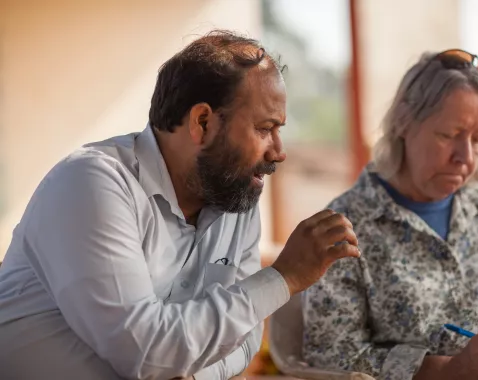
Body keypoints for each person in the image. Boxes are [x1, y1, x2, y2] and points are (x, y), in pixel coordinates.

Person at [0, 30, 360, 380]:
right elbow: (143, 352)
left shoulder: (236, 198)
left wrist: (190, 375)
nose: (279, 152)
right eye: (265, 129)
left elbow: (245, 340)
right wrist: (283, 277)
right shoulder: (92, 182)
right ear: (202, 122)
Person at [302, 49, 478, 380]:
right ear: (404, 123)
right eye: (448, 135)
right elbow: (329, 356)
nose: (465, 156)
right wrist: (444, 369)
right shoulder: (344, 228)